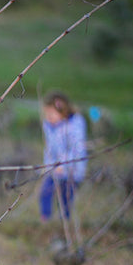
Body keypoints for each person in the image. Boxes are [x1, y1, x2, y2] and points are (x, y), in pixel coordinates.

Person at [39, 92, 87, 222]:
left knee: (65, 199)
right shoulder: (49, 126)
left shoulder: (75, 125)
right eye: (46, 114)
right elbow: (49, 149)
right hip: (54, 170)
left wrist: (63, 165)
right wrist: (48, 165)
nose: (48, 117)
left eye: (51, 114)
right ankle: (45, 219)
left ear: (62, 111)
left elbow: (77, 149)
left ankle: (64, 221)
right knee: (45, 193)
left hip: (73, 171)